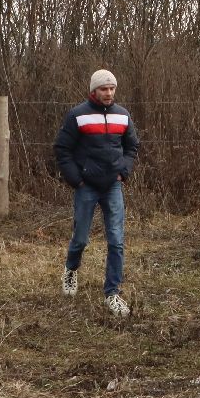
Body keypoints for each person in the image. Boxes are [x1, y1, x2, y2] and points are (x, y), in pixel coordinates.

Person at [53, 68, 140, 316]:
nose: (109, 93)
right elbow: (62, 149)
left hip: (113, 185)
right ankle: (71, 270)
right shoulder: (77, 115)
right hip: (86, 186)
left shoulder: (123, 115)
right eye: (104, 88)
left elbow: (132, 145)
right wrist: (77, 180)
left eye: (112, 88)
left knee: (116, 240)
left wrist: (123, 171)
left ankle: (112, 293)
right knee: (80, 238)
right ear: (94, 90)